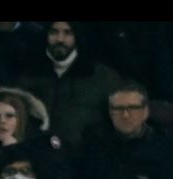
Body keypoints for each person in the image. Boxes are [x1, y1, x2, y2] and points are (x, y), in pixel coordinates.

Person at [16, 22, 122, 150]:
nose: (60, 39)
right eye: (54, 32)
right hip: (38, 158)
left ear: (77, 36)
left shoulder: (104, 77)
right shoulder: (28, 77)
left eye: (68, 33)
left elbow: (118, 122)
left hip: (86, 159)